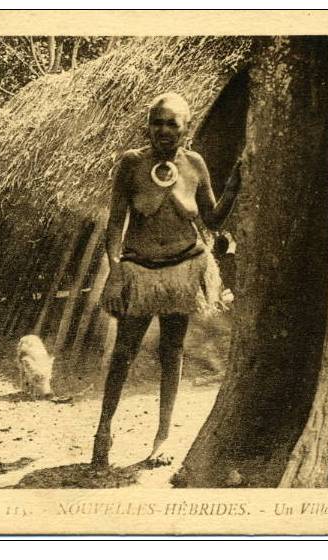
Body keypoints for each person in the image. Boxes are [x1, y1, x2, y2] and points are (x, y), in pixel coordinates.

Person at [93, 92, 241, 468]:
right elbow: (115, 223)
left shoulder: (194, 164)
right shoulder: (131, 164)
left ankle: (162, 437)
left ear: (186, 128)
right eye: (156, 122)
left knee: (171, 352)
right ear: (148, 126)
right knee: (124, 352)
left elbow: (211, 219)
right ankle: (103, 432)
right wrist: (116, 270)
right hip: (139, 271)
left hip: (184, 270)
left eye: (171, 123)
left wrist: (236, 184)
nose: (163, 130)